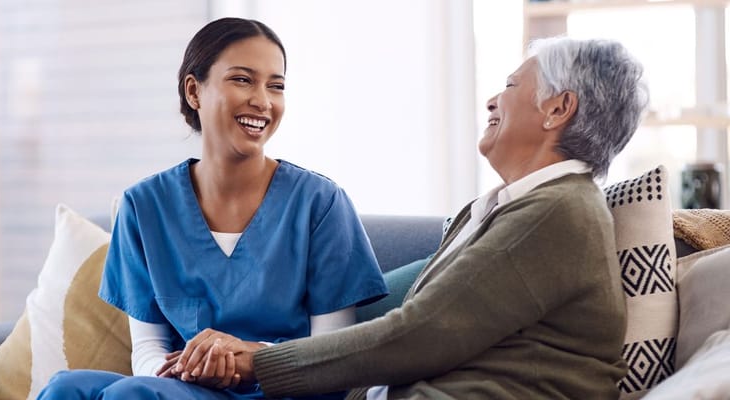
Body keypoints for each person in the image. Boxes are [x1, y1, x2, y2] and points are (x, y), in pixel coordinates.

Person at [180, 37, 650, 399]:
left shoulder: (556, 211)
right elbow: (414, 315)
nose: (492, 100)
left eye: (510, 86)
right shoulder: (522, 207)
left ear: (558, 109)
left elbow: (419, 334)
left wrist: (260, 361)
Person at [36, 17, 388, 400]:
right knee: (64, 388)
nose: (263, 100)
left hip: (280, 391)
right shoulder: (143, 207)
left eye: (277, 86)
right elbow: (148, 347)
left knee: (131, 395)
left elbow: (331, 354)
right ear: (194, 91)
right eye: (242, 80)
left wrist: (250, 360)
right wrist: (191, 368)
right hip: (183, 387)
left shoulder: (320, 204)